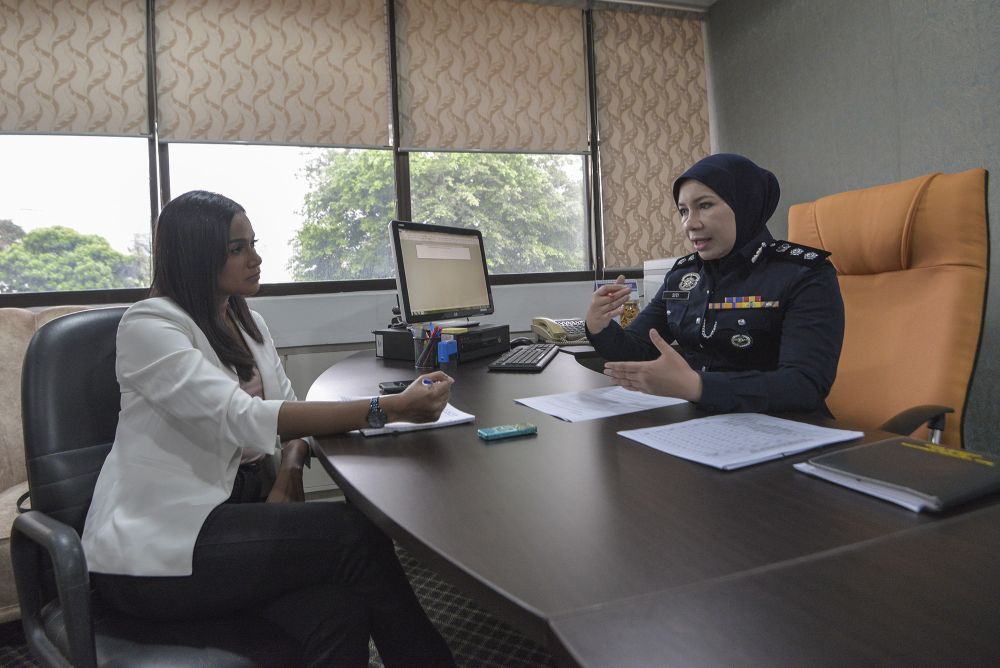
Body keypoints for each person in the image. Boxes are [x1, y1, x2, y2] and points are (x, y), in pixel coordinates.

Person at [81, 190, 456, 667]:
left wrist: (289, 473)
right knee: (354, 534)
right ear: (196, 254)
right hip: (159, 549)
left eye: (253, 244)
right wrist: (388, 407)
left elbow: (291, 412)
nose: (256, 259)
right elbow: (242, 416)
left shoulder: (248, 320)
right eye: (237, 249)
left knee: (338, 612)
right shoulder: (150, 326)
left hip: (239, 521)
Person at [585, 153, 844, 416]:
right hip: (702, 424)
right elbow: (638, 349)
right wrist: (600, 325)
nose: (690, 224)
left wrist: (698, 386)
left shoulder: (803, 274)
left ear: (744, 205)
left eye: (705, 205)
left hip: (786, 432)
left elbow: (804, 386)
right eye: (683, 211)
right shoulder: (682, 276)